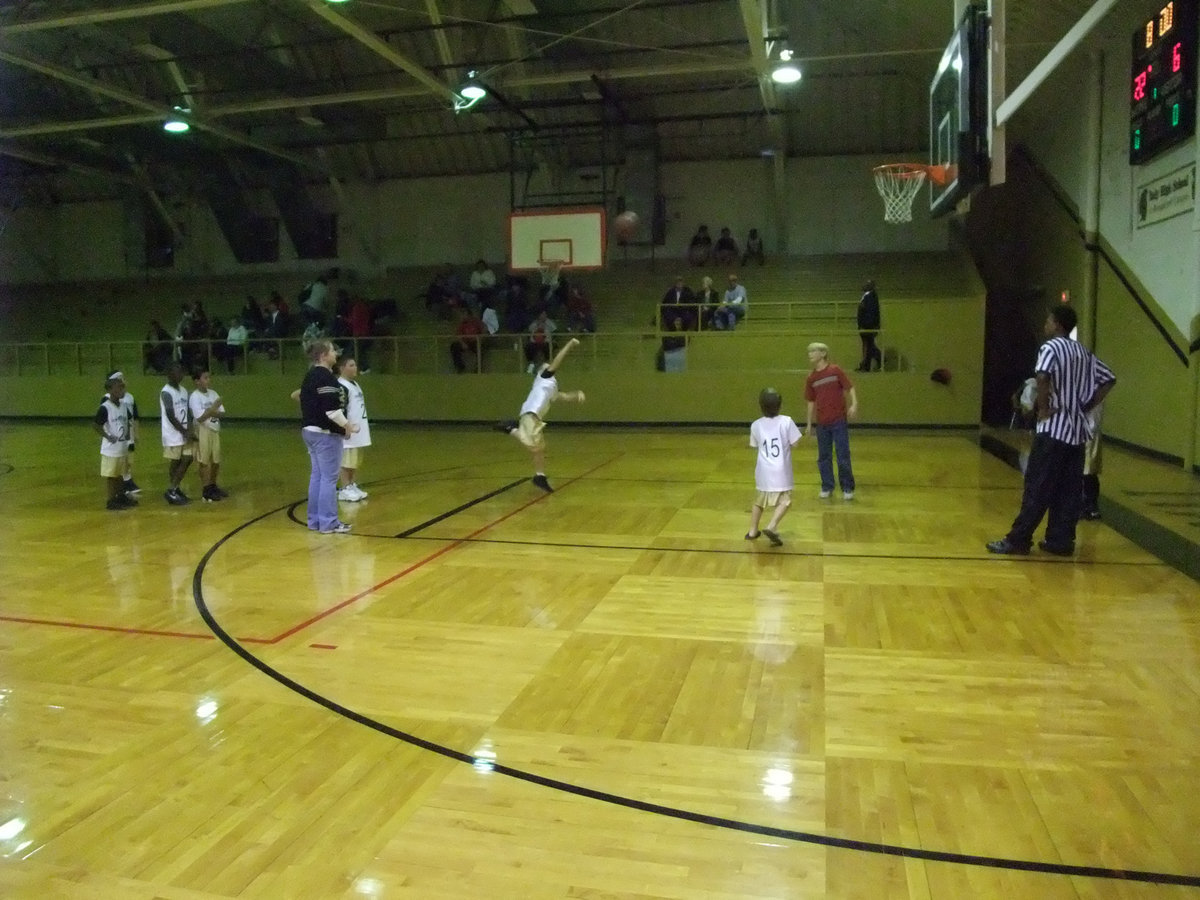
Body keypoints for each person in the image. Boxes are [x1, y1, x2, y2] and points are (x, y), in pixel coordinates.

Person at [987, 305, 1116, 556]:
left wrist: (1044, 408)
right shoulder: (1082, 352)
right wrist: (1086, 404)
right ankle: (1060, 541)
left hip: (1053, 430)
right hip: (1076, 434)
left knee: (1037, 486)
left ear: (1057, 324)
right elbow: (1109, 378)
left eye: (1048, 320)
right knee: (1069, 491)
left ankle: (1019, 539)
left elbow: (1043, 376)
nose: (1045, 324)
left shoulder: (1050, 348)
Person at [496, 337, 585, 493]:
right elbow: (558, 360)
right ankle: (511, 428)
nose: (548, 366)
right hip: (531, 414)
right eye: (546, 366)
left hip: (535, 418)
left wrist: (576, 395)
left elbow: (563, 397)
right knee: (533, 445)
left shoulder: (552, 387)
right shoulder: (544, 377)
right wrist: (570, 344)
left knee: (539, 448)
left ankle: (540, 476)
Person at [297, 340, 358, 534]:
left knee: (317, 476)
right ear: (323, 355)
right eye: (332, 351)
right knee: (329, 479)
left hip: (309, 431)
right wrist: (347, 427)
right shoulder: (326, 378)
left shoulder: (309, 376)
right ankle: (329, 522)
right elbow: (332, 411)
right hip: (324, 435)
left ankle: (314, 520)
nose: (335, 354)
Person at [746, 387, 801, 547]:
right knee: (785, 501)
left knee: (759, 501)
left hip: (763, 471)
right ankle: (772, 525)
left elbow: (754, 445)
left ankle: (752, 531)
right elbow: (796, 443)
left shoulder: (756, 425)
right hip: (781, 471)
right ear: (779, 405)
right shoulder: (786, 421)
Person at [804, 342, 858, 500]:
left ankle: (847, 487)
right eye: (809, 352)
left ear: (823, 353)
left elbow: (850, 387)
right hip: (822, 423)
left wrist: (854, 404)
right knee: (824, 456)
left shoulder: (835, 370)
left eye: (813, 351)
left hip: (838, 421)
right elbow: (810, 402)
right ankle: (827, 486)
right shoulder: (811, 377)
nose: (810, 354)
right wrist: (809, 424)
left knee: (843, 454)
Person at [94, 372, 137, 510]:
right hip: (111, 449)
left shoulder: (124, 406)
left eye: (122, 388)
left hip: (122, 447)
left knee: (120, 474)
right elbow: (96, 425)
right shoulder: (105, 407)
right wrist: (107, 436)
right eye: (118, 388)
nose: (121, 391)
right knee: (111, 476)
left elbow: (129, 421)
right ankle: (111, 500)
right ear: (111, 390)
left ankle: (120, 496)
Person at [336, 356, 372, 502]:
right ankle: (345, 488)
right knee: (346, 460)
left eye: (355, 365)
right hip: (348, 431)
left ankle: (351, 485)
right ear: (342, 368)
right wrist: (345, 427)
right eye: (351, 365)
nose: (355, 368)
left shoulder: (354, 384)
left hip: (359, 430)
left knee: (355, 460)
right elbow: (340, 410)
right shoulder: (341, 386)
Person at [189, 369, 228, 502]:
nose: (208, 380)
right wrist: (213, 409)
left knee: (216, 460)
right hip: (202, 430)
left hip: (214, 429)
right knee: (204, 460)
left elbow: (221, 413)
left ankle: (213, 484)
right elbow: (200, 418)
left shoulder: (213, 393)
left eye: (208, 378)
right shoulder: (195, 397)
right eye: (205, 378)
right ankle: (206, 489)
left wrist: (210, 411)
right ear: (197, 381)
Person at [160, 361, 194, 505]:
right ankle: (173, 489)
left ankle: (173, 488)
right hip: (172, 434)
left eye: (181, 372)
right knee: (176, 461)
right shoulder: (166, 392)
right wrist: (184, 431)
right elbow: (170, 415)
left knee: (188, 458)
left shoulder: (184, 390)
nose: (181, 375)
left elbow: (187, 411)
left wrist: (190, 429)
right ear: (170, 374)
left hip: (184, 431)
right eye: (177, 372)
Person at [105, 370, 141, 496]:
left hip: (126, 434)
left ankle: (126, 481)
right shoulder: (107, 400)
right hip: (115, 438)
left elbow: (133, 416)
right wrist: (108, 435)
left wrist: (135, 432)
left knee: (128, 460)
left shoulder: (129, 398)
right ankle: (121, 487)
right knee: (115, 468)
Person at [856, 280, 882, 372]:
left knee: (868, 346)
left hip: (868, 327)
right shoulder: (868, 296)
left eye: (866, 284)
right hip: (867, 326)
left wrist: (866, 326)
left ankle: (869, 364)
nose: (863, 285)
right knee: (869, 345)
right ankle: (867, 364)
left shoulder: (870, 297)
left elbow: (870, 313)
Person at [450, 306, 485, 374]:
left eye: (463, 314)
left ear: (468, 315)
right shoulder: (462, 324)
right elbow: (458, 335)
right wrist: (463, 343)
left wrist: (480, 340)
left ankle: (478, 368)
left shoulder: (476, 322)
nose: (462, 316)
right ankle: (460, 367)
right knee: (454, 346)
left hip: (475, 342)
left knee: (481, 349)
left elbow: (483, 331)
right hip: (465, 342)